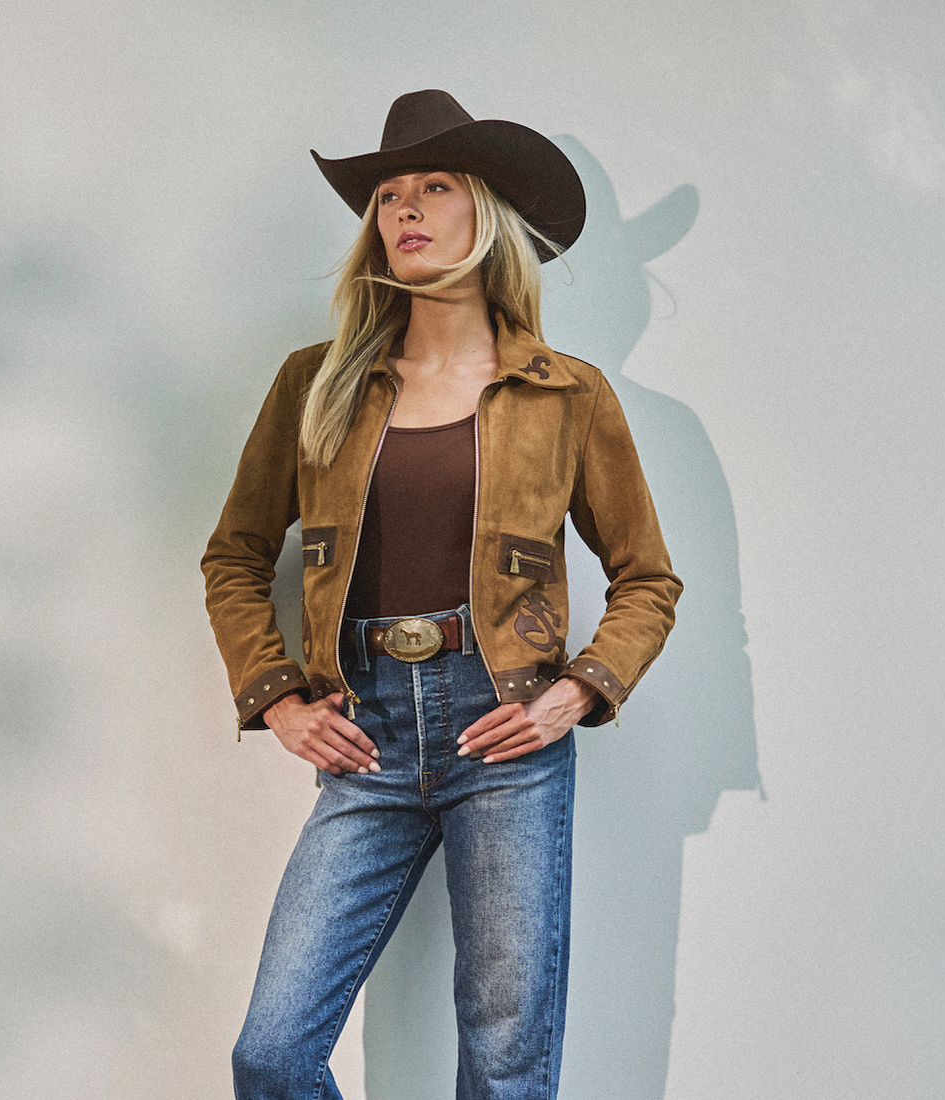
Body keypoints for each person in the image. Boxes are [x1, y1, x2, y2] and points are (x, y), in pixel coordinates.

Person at [202, 89, 682, 1100]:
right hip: (365, 734)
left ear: (486, 212)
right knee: (272, 1051)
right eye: (385, 195)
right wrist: (278, 696)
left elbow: (647, 577)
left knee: (505, 1067)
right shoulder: (316, 383)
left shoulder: (568, 393)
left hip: (503, 733)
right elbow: (234, 555)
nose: (404, 210)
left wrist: (578, 689)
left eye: (433, 186)